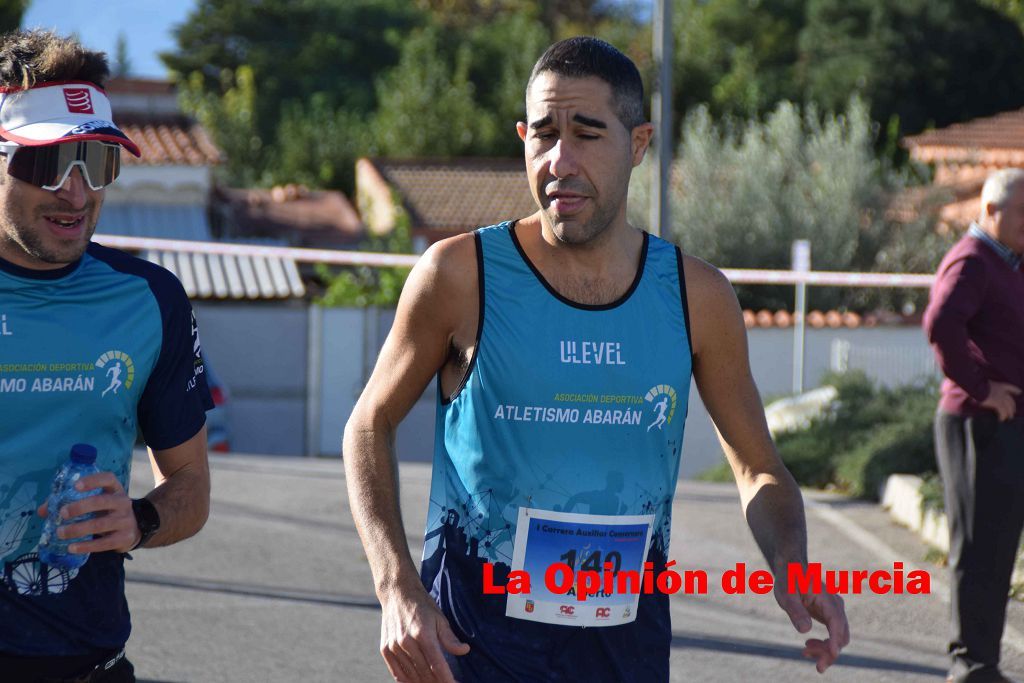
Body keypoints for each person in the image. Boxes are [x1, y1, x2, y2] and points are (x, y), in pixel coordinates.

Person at [344, 36, 849, 683]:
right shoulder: (460, 274)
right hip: (471, 650)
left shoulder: (697, 296)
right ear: (523, 136)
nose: (560, 160)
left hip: (625, 653)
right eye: (544, 134)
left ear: (638, 144)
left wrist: (793, 561)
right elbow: (368, 423)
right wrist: (395, 586)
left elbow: (758, 467)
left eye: (587, 134)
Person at [0, 30, 213, 682]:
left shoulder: (150, 300)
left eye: (96, 162)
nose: (74, 192)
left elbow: (192, 486)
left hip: (91, 664)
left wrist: (141, 518)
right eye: (48, 163)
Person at [924, 168, 1024, 683]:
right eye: (1022, 212)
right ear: (990, 210)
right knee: (978, 546)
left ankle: (982, 662)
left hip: (1002, 428)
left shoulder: (1008, 262)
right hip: (975, 423)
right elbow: (940, 324)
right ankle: (969, 664)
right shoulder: (972, 260)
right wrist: (983, 388)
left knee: (999, 545)